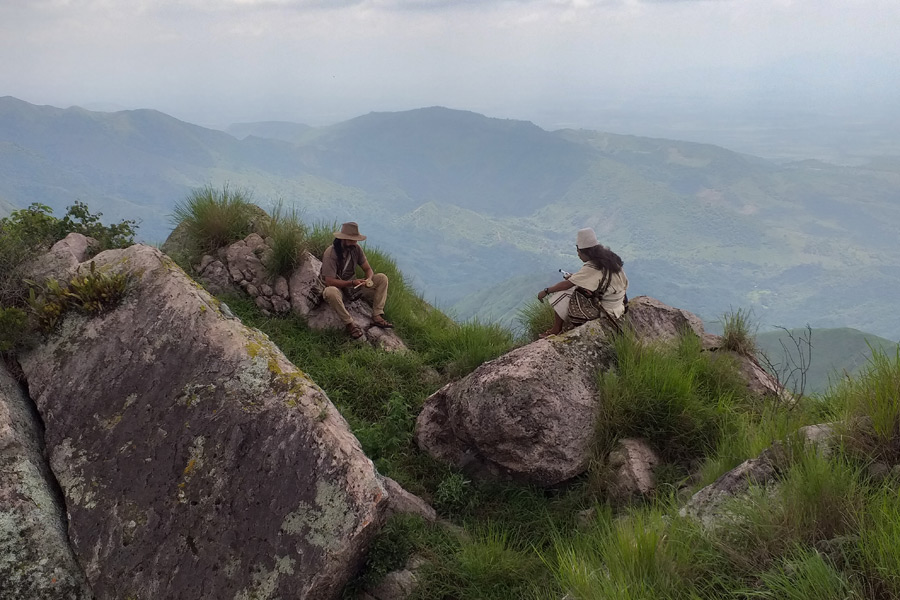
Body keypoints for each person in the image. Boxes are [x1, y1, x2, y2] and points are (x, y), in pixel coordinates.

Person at [536, 227, 628, 338]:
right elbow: (599, 279)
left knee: (565, 294)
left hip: (607, 310)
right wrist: (576, 277)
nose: (578, 255)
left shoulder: (592, 266)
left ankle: (556, 329)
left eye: (578, 252)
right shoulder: (610, 259)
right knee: (577, 288)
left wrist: (546, 291)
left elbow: (567, 284)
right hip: (619, 304)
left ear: (585, 252)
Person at [321, 222, 392, 339]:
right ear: (343, 239)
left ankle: (377, 315)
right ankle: (349, 324)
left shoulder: (356, 249)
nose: (355, 242)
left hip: (353, 288)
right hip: (340, 290)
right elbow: (329, 281)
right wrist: (352, 283)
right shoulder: (331, 253)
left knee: (382, 278)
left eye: (355, 240)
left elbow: (368, 269)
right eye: (352, 240)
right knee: (330, 292)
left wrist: (368, 279)